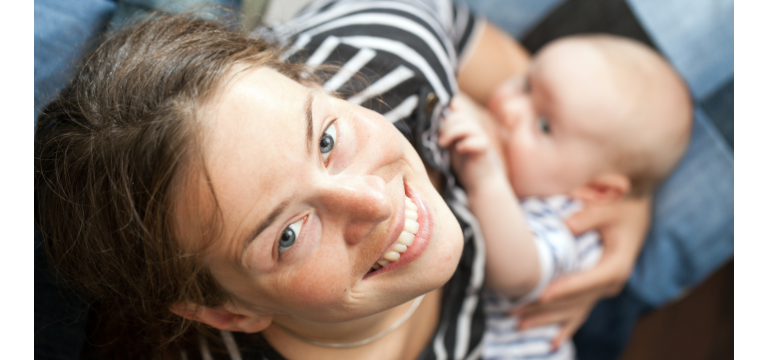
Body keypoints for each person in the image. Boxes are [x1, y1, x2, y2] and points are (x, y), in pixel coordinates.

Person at [33, 1, 652, 358]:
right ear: (227, 312)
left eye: (327, 139)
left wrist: (615, 181)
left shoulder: (388, 61)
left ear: (311, 83)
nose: (374, 200)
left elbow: (461, 31)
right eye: (289, 234)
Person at [438, 35, 691, 359]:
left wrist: (486, 181)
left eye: (543, 125)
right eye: (526, 85)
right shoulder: (534, 176)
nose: (509, 108)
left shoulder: (573, 222)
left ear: (597, 190)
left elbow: (516, 275)